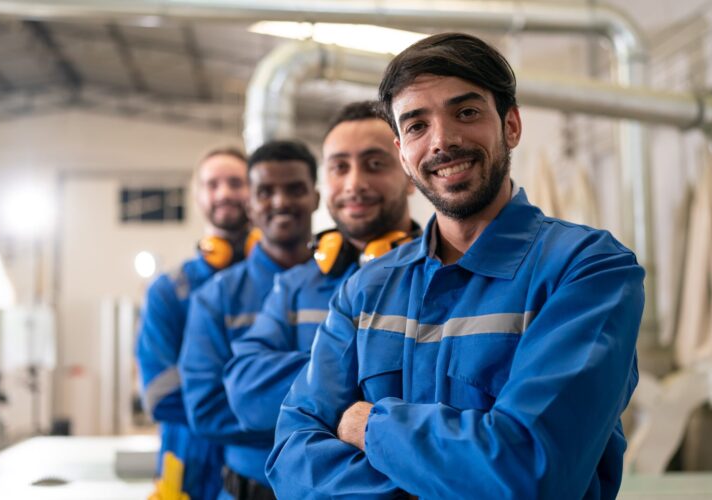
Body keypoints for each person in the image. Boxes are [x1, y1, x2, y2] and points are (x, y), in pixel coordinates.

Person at [267, 32, 644, 500]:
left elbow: (529, 470)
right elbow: (291, 459)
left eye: (466, 112)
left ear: (510, 126)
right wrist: (455, 475)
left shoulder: (588, 271)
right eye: (417, 125)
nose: (443, 141)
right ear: (402, 153)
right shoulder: (366, 290)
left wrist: (370, 427)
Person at [223, 101, 419, 436]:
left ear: (409, 172)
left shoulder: (446, 276)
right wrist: (376, 380)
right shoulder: (294, 286)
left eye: (374, 164)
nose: (354, 183)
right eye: (339, 167)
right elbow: (247, 393)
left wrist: (312, 396)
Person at [180, 140, 320, 500]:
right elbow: (206, 410)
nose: (280, 202)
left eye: (294, 189)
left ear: (316, 199)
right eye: (266, 192)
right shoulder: (216, 297)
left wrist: (258, 401)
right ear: (250, 205)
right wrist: (326, 415)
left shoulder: (351, 288)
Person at [136, 147, 251, 500]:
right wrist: (260, 415)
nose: (224, 193)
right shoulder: (169, 292)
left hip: (258, 472)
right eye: (212, 184)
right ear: (198, 196)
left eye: (236, 182)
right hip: (188, 468)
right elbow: (160, 393)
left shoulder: (283, 282)